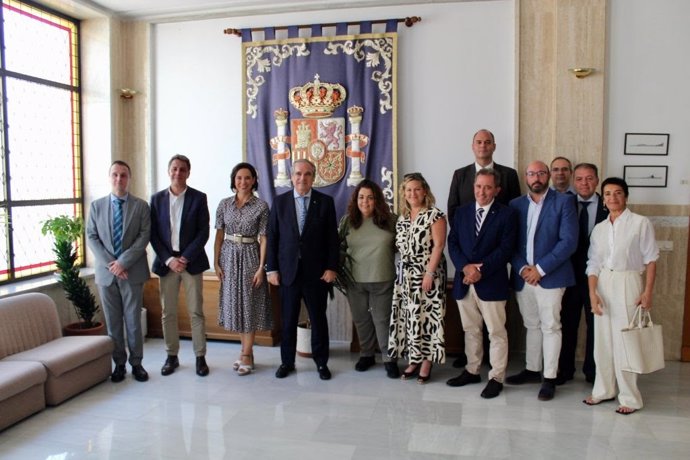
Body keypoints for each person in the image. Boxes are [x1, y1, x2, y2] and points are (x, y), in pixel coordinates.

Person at [583, 177, 659, 415]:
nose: (612, 198)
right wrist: (593, 293)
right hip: (604, 282)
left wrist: (647, 292)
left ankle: (630, 398)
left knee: (626, 342)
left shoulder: (640, 223)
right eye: (607, 194)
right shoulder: (600, 229)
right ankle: (603, 390)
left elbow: (651, 259)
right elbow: (593, 264)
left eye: (617, 193)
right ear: (603, 199)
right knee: (602, 342)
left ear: (625, 196)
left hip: (629, 281)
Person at [447, 129, 520, 368]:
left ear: (496, 189)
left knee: (496, 332)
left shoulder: (507, 212)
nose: (482, 191)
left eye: (488, 187)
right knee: (471, 329)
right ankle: (472, 369)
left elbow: (507, 245)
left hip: (492, 276)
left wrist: (482, 268)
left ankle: (497, 375)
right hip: (465, 277)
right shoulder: (462, 209)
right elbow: (454, 238)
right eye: (478, 187)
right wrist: (465, 267)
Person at [506, 161, 577, 401]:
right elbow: (510, 243)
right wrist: (523, 268)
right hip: (523, 277)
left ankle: (549, 377)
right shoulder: (515, 205)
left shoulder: (564, 202)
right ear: (526, 177)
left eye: (541, 173)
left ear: (548, 176)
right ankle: (532, 369)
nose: (536, 177)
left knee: (551, 326)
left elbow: (568, 242)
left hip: (551, 277)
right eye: (532, 173)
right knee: (532, 325)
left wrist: (540, 269)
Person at [267, 159, 339, 380]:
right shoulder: (279, 203)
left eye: (307, 174)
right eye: (298, 174)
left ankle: (321, 363)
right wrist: (272, 269)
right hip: (288, 273)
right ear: (291, 176)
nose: (302, 178)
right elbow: (272, 238)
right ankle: (287, 362)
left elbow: (332, 240)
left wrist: (331, 267)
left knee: (318, 320)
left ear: (313, 177)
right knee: (288, 320)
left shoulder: (325, 202)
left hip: (316, 273)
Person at [86, 160, 151, 383]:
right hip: (107, 274)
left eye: (123, 175)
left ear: (129, 178)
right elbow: (92, 237)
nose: (119, 179)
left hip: (132, 272)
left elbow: (143, 237)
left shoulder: (141, 206)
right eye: (115, 175)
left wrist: (123, 263)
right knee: (113, 322)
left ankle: (137, 363)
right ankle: (119, 364)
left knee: (133, 320)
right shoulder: (96, 206)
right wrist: (112, 264)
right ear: (109, 177)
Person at [150, 154, 210, 377]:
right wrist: (169, 259)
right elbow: (153, 234)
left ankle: (200, 357)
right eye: (174, 169)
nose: (178, 173)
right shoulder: (156, 200)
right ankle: (171, 356)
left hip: (191, 263)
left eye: (182, 169)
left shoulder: (198, 198)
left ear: (188, 172)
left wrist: (185, 257)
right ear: (169, 171)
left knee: (196, 311)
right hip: (167, 263)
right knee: (168, 312)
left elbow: (203, 232)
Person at [214, 162, 272, 376]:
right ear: (234, 180)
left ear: (254, 180)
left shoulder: (261, 206)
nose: (243, 182)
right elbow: (219, 235)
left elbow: (264, 238)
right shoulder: (224, 205)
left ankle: (246, 354)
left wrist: (261, 268)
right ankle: (245, 352)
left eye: (248, 178)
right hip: (228, 256)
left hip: (250, 255)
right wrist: (216, 262)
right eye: (239, 177)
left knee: (249, 303)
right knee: (236, 305)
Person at [388, 172, 447, 384]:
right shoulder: (402, 218)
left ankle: (426, 362)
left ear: (425, 191)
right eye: (408, 190)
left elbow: (439, 246)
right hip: (405, 276)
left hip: (427, 274)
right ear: (403, 193)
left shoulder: (435, 215)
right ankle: (413, 359)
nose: (413, 193)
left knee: (427, 318)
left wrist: (429, 273)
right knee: (410, 319)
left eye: (417, 189)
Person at [338, 179, 399, 379]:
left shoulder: (391, 220)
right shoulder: (348, 221)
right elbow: (339, 248)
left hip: (382, 279)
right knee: (361, 319)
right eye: (361, 197)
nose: (365, 202)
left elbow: (405, 247)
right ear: (356, 200)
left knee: (382, 320)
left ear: (377, 200)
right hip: (355, 281)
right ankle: (366, 354)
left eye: (370, 198)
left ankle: (389, 359)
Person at [557, 163, 608, 385]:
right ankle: (565, 369)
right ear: (573, 181)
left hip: (600, 278)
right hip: (569, 276)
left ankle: (593, 371)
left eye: (589, 179)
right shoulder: (564, 204)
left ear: (597, 180)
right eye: (579, 179)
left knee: (596, 325)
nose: (584, 183)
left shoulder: (609, 206)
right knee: (567, 324)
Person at [447, 129, 521, 222]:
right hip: (466, 234)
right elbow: (452, 211)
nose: (483, 145)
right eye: (479, 142)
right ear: (473, 147)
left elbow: (515, 209)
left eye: (487, 142)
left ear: (494, 147)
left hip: (500, 234)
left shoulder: (510, 175)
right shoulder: (459, 175)